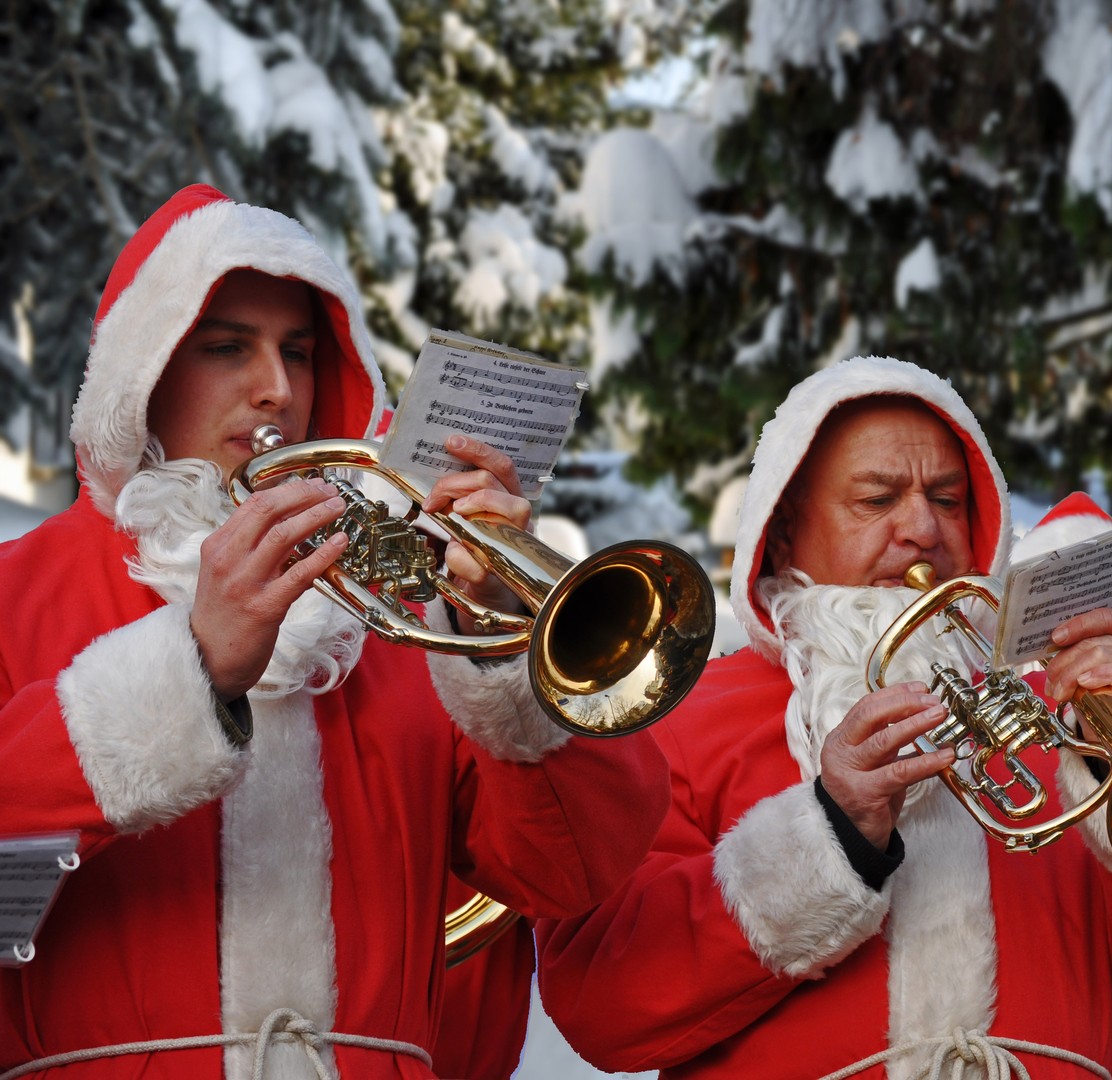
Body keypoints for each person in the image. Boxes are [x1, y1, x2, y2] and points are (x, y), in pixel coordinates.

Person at [0, 184, 670, 1079]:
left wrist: (504, 640)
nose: (277, 389)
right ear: (144, 369)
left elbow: (569, 871)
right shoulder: (18, 591)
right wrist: (189, 669)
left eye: (301, 354)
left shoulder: (400, 614)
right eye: (227, 347)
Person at [536, 356, 1112, 1079]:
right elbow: (601, 1000)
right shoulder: (689, 714)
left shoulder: (1061, 711)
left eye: (948, 500)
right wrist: (830, 836)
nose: (922, 528)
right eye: (877, 499)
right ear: (785, 528)